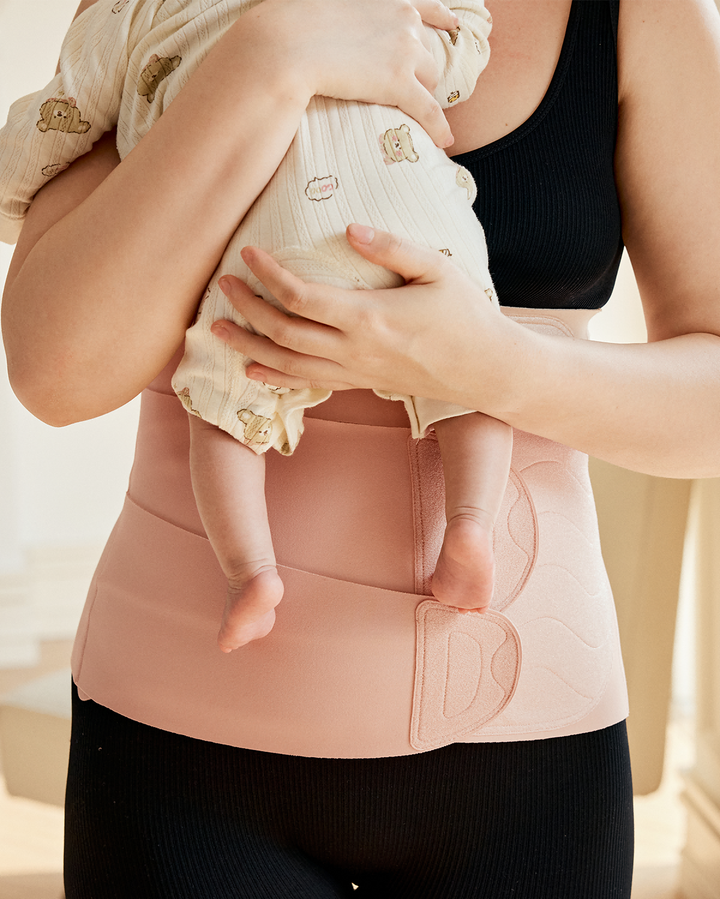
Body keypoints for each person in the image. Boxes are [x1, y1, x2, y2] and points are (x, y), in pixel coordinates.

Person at [3, 0, 720, 895]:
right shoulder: (167, 10)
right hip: (182, 764)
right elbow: (54, 371)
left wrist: (494, 364)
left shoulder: (640, 18)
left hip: (532, 773)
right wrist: (267, 58)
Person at [0, 0, 510, 652]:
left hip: (273, 249)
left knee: (222, 400)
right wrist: (427, 64)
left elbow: (59, 118)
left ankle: (251, 571)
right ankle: (470, 523)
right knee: (475, 369)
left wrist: (11, 194)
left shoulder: (139, 9)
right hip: (407, 217)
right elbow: (457, 51)